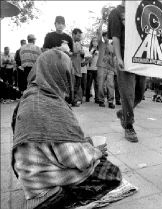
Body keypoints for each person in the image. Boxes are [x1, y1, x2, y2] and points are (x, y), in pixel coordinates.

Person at [11, 49, 122, 209]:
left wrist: (86, 144)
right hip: (46, 190)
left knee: (88, 148)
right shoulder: (50, 106)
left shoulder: (30, 97)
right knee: (110, 171)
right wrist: (95, 151)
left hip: (29, 179)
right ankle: (61, 197)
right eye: (67, 72)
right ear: (61, 74)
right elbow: (77, 159)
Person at [108, 0, 146, 142]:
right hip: (124, 57)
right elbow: (115, 38)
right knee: (127, 93)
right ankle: (128, 125)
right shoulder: (116, 13)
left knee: (140, 93)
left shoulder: (141, 10)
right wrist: (118, 58)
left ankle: (123, 113)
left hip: (141, 58)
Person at [97, 21, 116, 109]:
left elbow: (114, 57)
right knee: (101, 84)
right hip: (101, 67)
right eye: (105, 36)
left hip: (110, 68)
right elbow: (99, 32)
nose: (106, 37)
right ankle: (101, 100)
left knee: (111, 85)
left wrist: (114, 68)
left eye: (108, 36)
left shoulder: (112, 46)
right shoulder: (101, 44)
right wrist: (101, 22)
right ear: (103, 37)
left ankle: (111, 101)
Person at [71, 28, 84, 107]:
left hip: (78, 68)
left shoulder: (78, 43)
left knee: (77, 86)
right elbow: (72, 52)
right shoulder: (69, 43)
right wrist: (78, 50)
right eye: (78, 35)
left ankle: (75, 100)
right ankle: (73, 101)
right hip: (72, 69)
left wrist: (83, 54)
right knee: (72, 86)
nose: (80, 37)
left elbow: (81, 57)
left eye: (80, 36)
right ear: (73, 34)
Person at [86, 37, 100, 103]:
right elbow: (88, 59)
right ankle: (87, 97)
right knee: (88, 84)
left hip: (97, 69)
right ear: (91, 42)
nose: (95, 43)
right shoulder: (89, 49)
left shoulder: (100, 50)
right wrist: (92, 53)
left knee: (97, 84)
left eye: (96, 41)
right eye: (93, 41)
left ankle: (97, 98)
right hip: (90, 69)